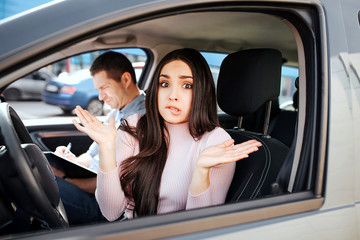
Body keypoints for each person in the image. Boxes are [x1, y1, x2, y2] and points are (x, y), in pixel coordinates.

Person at [72, 48, 261, 221]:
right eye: (165, 83)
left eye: (187, 85)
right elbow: (111, 212)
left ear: (202, 91)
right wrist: (106, 148)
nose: (172, 95)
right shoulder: (134, 125)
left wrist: (201, 172)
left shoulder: (217, 142)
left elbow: (198, 229)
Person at [52, 51, 145, 224]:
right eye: (98, 90)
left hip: (105, 204)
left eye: (104, 88)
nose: (101, 97)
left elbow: (114, 181)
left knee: (38, 184)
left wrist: (67, 180)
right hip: (93, 186)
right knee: (42, 169)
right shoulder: (117, 112)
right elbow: (91, 155)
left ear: (125, 79)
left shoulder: (141, 121)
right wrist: (72, 161)